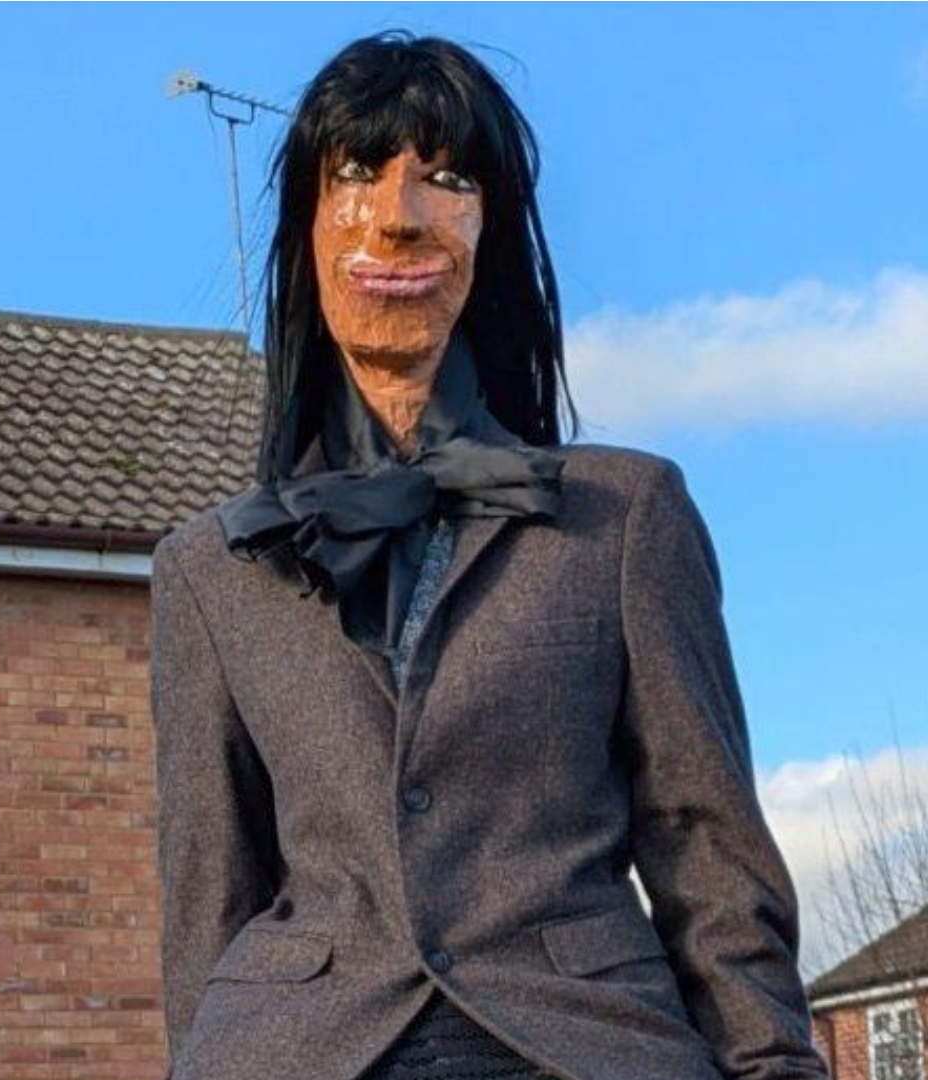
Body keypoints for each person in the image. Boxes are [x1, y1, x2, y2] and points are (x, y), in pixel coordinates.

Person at [150, 31, 826, 1080]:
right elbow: (209, 883)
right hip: (295, 1049)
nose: (398, 215)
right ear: (308, 230)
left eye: (448, 178)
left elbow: (704, 840)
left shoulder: (628, 516)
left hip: (582, 1038)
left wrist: (774, 1064)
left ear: (492, 232)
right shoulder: (211, 567)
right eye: (356, 175)